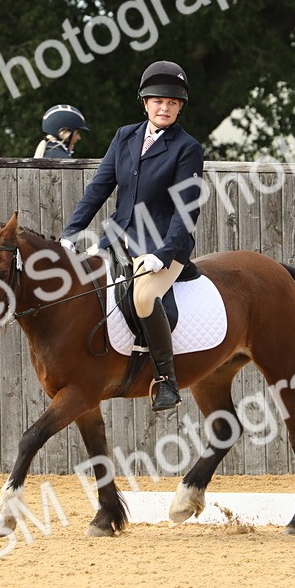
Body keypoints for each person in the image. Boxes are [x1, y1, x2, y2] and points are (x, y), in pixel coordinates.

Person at [60, 61, 205, 410]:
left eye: (172, 103)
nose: (165, 108)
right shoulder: (125, 137)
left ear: (180, 107)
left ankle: (167, 382)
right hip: (118, 238)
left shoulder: (187, 148)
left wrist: (164, 254)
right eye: (158, 101)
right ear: (145, 103)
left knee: (144, 298)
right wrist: (71, 232)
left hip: (164, 245)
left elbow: (186, 210)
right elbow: (99, 187)